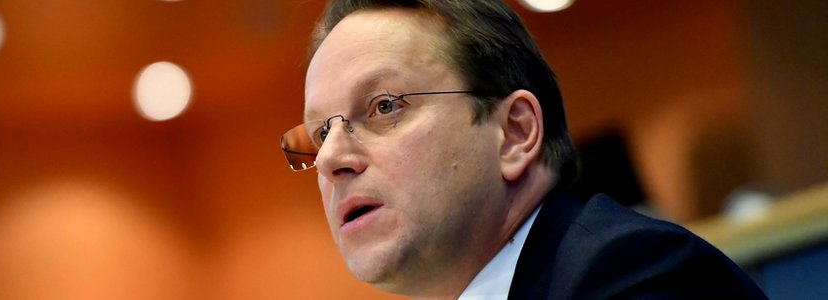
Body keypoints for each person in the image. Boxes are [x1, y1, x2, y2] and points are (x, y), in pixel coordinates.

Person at [279, 0, 767, 298]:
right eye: (320, 134)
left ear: (514, 134)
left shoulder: (637, 278)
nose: (330, 160)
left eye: (384, 106)